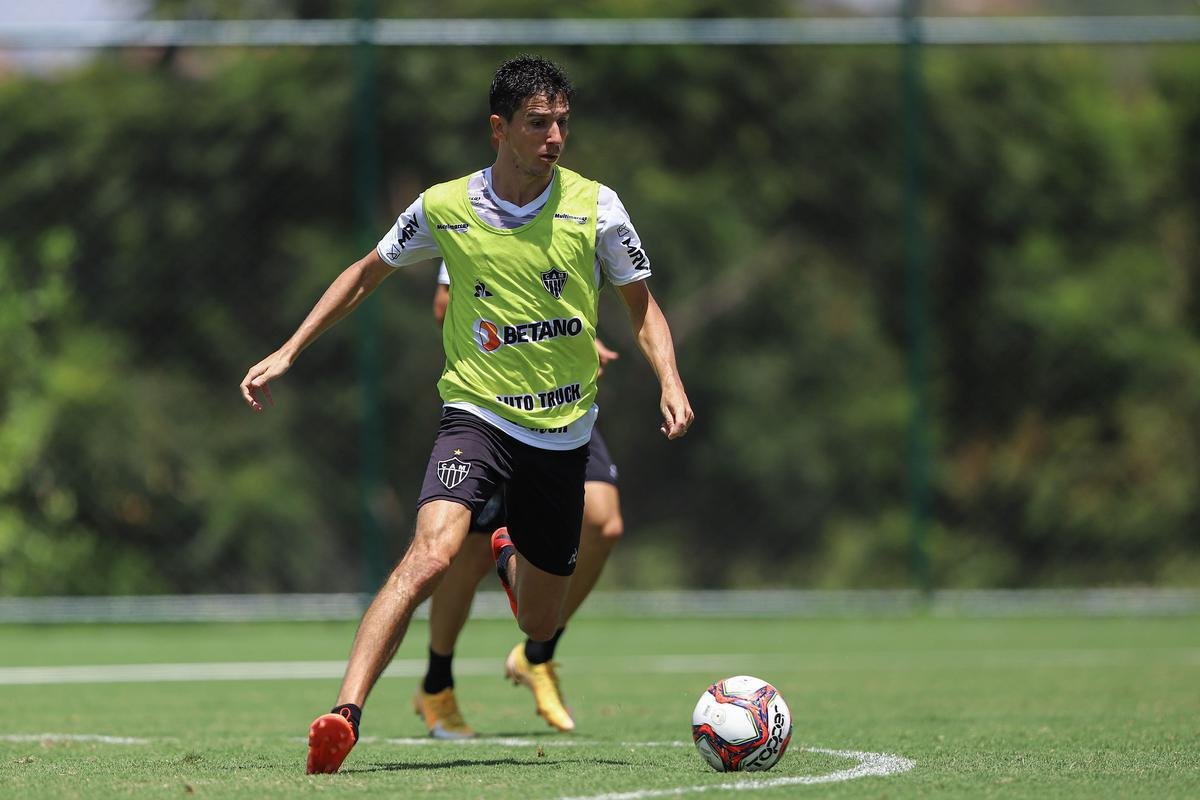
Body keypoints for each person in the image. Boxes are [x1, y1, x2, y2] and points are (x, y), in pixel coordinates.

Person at [239, 54, 692, 775]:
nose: (553, 138)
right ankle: (344, 713)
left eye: (562, 124)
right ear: (498, 128)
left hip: (562, 432)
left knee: (540, 619)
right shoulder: (445, 207)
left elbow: (644, 308)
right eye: (538, 124)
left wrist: (669, 376)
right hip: (475, 416)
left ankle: (509, 549)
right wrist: (292, 348)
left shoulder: (598, 207)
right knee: (429, 558)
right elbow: (366, 273)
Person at [413, 264, 626, 738]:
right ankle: (436, 684)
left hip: (562, 409)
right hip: (492, 409)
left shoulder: (576, 205)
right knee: (467, 554)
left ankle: (537, 655)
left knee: (603, 522)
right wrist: (527, 331)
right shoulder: (475, 206)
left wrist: (570, 336)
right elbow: (444, 305)